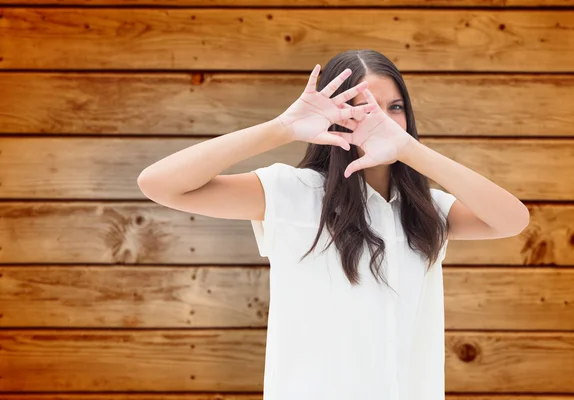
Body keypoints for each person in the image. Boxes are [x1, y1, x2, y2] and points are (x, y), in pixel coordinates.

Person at [137, 49, 530, 400]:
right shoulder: (292, 193)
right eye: (363, 107)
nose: (382, 121)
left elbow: (512, 220)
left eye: (394, 108)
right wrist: (282, 128)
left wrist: (410, 150)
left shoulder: (425, 211)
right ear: (335, 116)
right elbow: (159, 184)